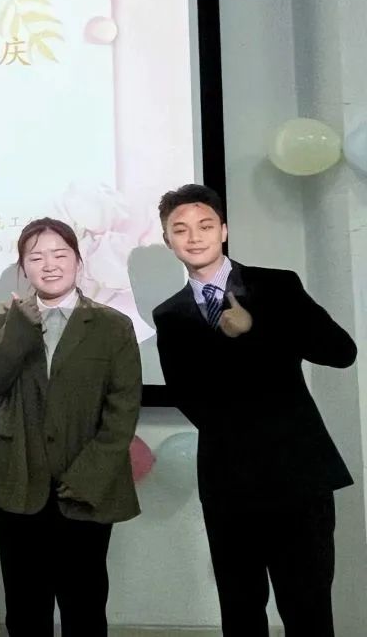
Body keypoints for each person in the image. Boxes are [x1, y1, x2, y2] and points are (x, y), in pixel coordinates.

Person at [152, 184, 356, 637]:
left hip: (298, 477)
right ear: (168, 241)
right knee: (241, 612)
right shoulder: (169, 315)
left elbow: (341, 351)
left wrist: (256, 328)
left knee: (308, 611)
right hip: (229, 485)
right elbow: (191, 399)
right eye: (180, 230)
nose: (194, 237)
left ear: (224, 230)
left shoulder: (278, 285)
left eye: (205, 225)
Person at [0, 217, 142, 637]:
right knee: (25, 606)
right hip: (18, 478)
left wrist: (90, 476)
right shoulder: (5, 317)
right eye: (36, 257)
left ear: (78, 261)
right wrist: (19, 327)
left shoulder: (112, 325)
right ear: (23, 268)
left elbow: (123, 409)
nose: (49, 265)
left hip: (86, 483)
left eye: (59, 254)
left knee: (84, 604)